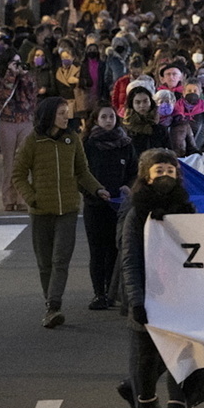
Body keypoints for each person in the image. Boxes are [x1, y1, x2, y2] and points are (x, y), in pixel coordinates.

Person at [12, 97, 110, 328]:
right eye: (62, 113)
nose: (67, 117)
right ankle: (50, 305)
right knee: (45, 263)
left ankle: (53, 306)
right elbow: (18, 174)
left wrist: (97, 189)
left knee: (60, 259)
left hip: (68, 209)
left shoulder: (72, 139)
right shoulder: (33, 141)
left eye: (67, 112)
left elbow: (82, 171)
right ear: (48, 115)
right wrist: (32, 197)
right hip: (40, 211)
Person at [122, 148, 195, 408]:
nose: (165, 176)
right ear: (146, 176)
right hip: (147, 294)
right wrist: (137, 300)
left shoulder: (188, 211)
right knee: (145, 358)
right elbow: (130, 260)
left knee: (179, 356)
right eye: (159, 171)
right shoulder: (136, 213)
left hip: (179, 297)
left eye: (169, 171)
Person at [82, 105, 136, 310]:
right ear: (95, 120)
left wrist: (129, 187)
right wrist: (94, 191)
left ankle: (112, 292)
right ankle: (99, 294)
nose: (108, 120)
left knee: (116, 249)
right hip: (95, 204)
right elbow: (80, 173)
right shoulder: (88, 144)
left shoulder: (125, 143)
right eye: (103, 117)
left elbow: (134, 171)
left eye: (111, 116)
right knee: (97, 251)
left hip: (120, 207)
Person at [0, 50, 37, 211]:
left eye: (19, 62)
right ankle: (9, 199)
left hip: (25, 121)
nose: (18, 66)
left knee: (23, 161)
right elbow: (2, 95)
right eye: (14, 63)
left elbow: (32, 95)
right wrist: (11, 74)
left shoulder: (27, 77)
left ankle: (22, 198)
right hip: (8, 121)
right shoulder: (0, 78)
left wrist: (24, 75)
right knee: (9, 162)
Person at [124, 84, 170, 154]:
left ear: (150, 102)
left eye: (145, 101)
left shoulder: (160, 129)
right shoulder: (126, 130)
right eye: (137, 102)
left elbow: (168, 152)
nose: (142, 106)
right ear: (132, 104)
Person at [180, 78, 204, 159]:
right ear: (183, 93)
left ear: (200, 92)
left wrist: (203, 154)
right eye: (189, 91)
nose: (192, 93)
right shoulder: (176, 111)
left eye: (195, 91)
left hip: (198, 159)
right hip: (179, 158)